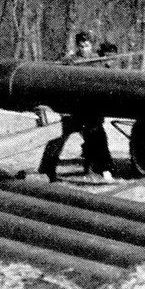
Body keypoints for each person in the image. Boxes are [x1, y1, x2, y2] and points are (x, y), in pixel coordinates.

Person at [38, 31, 114, 181]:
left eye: (87, 45)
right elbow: (57, 77)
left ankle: (102, 169)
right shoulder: (69, 60)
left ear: (91, 46)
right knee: (57, 138)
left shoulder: (98, 62)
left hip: (90, 109)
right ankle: (47, 171)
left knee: (98, 138)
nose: (84, 48)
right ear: (77, 45)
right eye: (81, 45)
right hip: (71, 109)